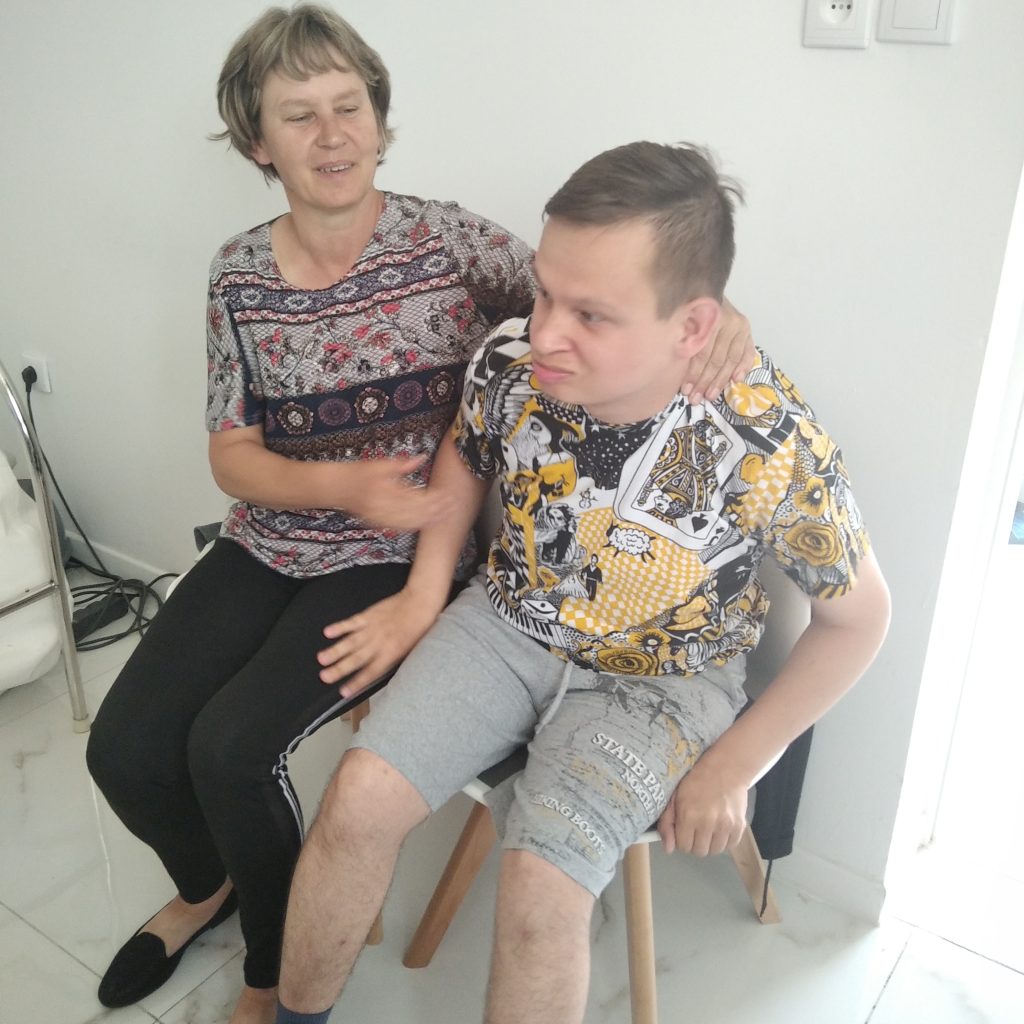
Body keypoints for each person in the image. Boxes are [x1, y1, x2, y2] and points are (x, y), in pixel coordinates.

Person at [83, 7, 753, 1024]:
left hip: (398, 552)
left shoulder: (447, 241)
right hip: (274, 538)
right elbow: (230, 451)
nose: (333, 134)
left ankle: (269, 974)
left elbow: (602, 298)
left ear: (379, 118)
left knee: (228, 750)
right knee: (124, 750)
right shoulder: (239, 275)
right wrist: (342, 487)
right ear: (259, 142)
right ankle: (205, 884)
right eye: (300, 116)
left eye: (349, 106)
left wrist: (720, 312)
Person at [272, 140, 892, 1024]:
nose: (546, 333)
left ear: (694, 327)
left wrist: (738, 763)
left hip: (664, 678)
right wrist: (423, 593)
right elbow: (467, 455)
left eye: (591, 315)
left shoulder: (768, 436)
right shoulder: (511, 359)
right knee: (358, 797)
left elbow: (860, 620)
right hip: (508, 621)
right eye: (544, 293)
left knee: (540, 895)